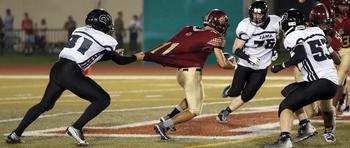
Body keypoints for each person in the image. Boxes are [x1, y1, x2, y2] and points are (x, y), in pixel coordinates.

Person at [5, 9, 144, 146]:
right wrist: (134, 57)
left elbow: (87, 55)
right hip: (71, 72)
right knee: (103, 99)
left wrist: (109, 54)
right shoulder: (107, 39)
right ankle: (76, 127)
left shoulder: (79, 30)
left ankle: (15, 134)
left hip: (58, 68)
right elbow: (119, 61)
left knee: (44, 105)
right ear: (103, 23)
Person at [144, 9, 235, 140]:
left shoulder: (191, 29)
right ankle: (165, 125)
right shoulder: (215, 36)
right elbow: (222, 63)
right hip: (192, 73)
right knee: (195, 110)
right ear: (219, 24)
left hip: (180, 72)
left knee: (194, 98)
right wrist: (234, 66)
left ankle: (167, 117)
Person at [265, 8, 339, 148]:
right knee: (289, 90)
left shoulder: (291, 37)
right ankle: (306, 126)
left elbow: (301, 55)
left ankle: (284, 140)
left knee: (285, 105)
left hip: (319, 82)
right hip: (331, 83)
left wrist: (280, 66)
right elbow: (338, 61)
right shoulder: (316, 31)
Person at [216, 1, 281, 123]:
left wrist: (277, 50)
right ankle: (230, 89)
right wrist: (248, 58)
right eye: (254, 14)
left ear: (266, 14)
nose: (256, 17)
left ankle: (225, 112)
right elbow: (236, 49)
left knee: (248, 94)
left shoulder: (275, 22)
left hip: (262, 67)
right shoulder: (245, 26)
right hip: (245, 65)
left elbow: (280, 38)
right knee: (235, 92)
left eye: (260, 14)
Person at [292, 3, 342, 143]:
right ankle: (305, 126)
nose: (327, 27)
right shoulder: (303, 32)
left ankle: (328, 130)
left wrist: (329, 47)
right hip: (305, 71)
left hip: (323, 72)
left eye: (329, 23)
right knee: (309, 111)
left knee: (326, 107)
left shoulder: (331, 35)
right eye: (323, 24)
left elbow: (338, 61)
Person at [333, 0, 350, 112]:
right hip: (333, 52)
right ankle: (343, 97)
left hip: (348, 49)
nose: (345, 7)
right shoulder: (331, 19)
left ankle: (332, 106)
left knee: (341, 75)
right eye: (342, 5)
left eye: (347, 5)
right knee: (335, 77)